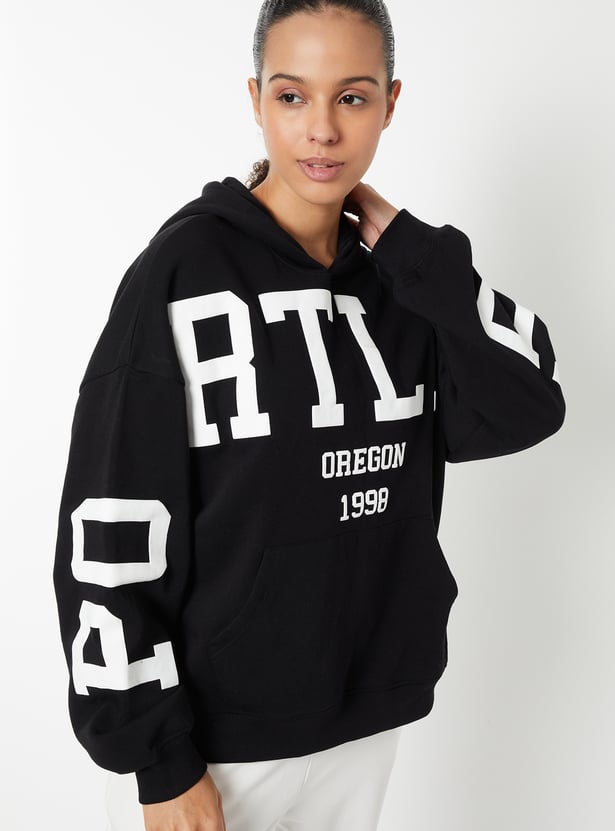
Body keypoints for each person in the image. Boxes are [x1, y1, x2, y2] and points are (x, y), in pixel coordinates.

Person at [52, 1, 566, 830]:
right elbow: (110, 519)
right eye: (292, 96)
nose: (321, 129)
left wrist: (413, 253)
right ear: (255, 98)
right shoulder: (182, 273)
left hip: (363, 723)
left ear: (390, 103)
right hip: (213, 746)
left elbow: (529, 400)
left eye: (351, 97)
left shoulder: (406, 287)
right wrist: (159, 758)